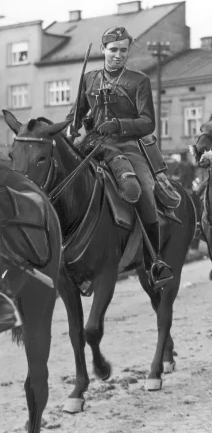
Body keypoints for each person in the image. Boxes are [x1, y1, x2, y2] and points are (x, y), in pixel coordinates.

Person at [66, 26, 179, 284]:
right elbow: (76, 112)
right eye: (113, 50)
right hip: (94, 146)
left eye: (123, 50)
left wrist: (118, 124)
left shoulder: (139, 81)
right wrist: (71, 125)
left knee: (143, 192)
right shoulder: (89, 79)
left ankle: (155, 262)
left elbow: (148, 122)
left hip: (128, 146)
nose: (118, 55)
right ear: (103, 50)